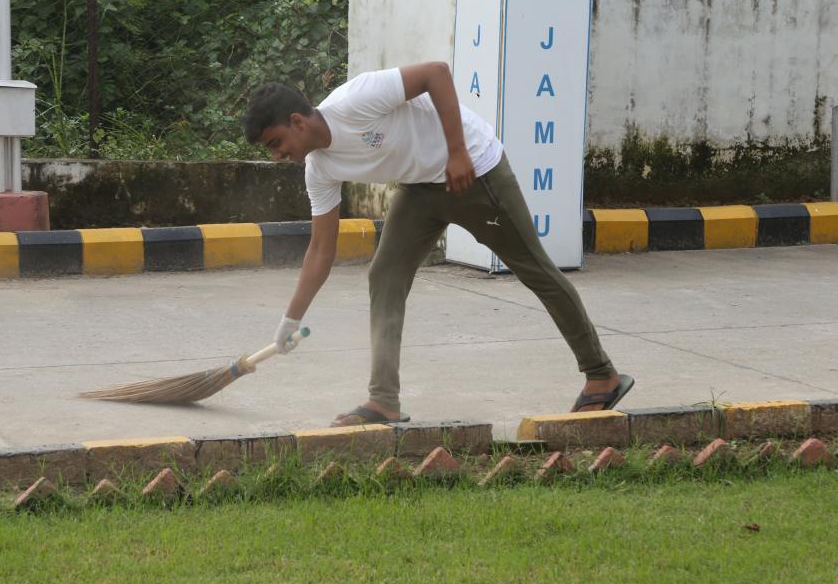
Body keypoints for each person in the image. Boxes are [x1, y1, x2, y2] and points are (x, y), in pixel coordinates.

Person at [243, 62, 633, 426]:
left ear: (297, 122)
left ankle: (601, 374)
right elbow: (321, 250)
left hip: (475, 171)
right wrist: (290, 320)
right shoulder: (319, 169)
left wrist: (458, 151)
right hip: (421, 189)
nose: (276, 156)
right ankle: (383, 401)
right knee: (385, 275)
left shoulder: (355, 100)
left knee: (535, 270)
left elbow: (436, 73)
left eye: (276, 142)